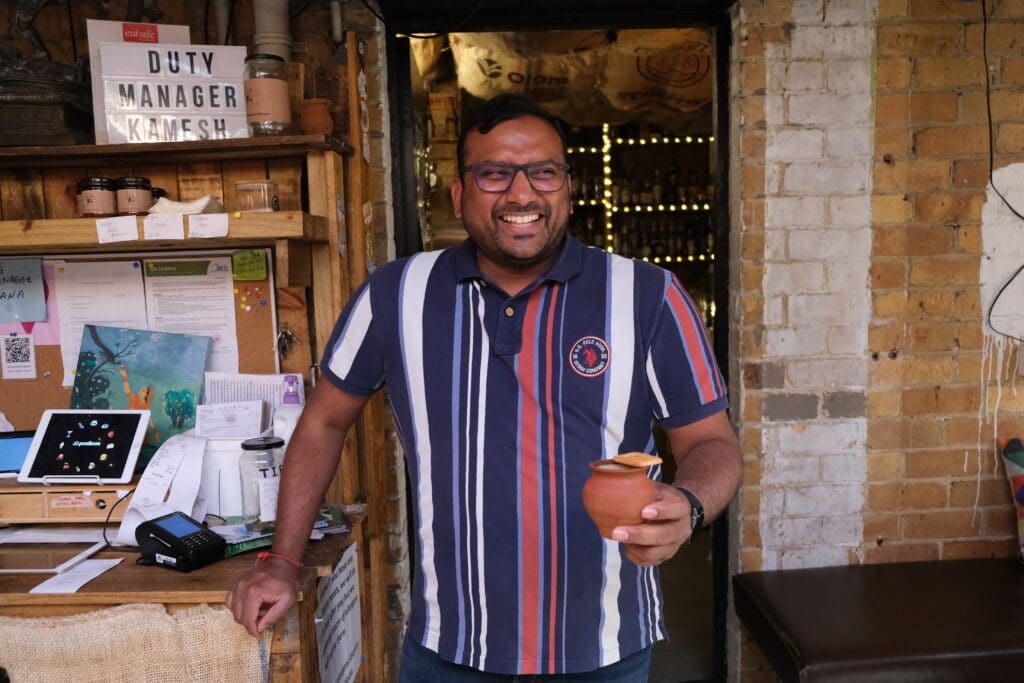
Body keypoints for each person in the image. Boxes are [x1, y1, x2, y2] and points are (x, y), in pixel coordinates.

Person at [227, 93, 741, 681]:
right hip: (447, 651)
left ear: (568, 187)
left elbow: (712, 442)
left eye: (543, 172)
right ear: (459, 193)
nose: (521, 195)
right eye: (495, 174)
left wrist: (690, 505)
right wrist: (282, 561)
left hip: (604, 651)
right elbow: (322, 421)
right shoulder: (396, 294)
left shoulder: (649, 296)